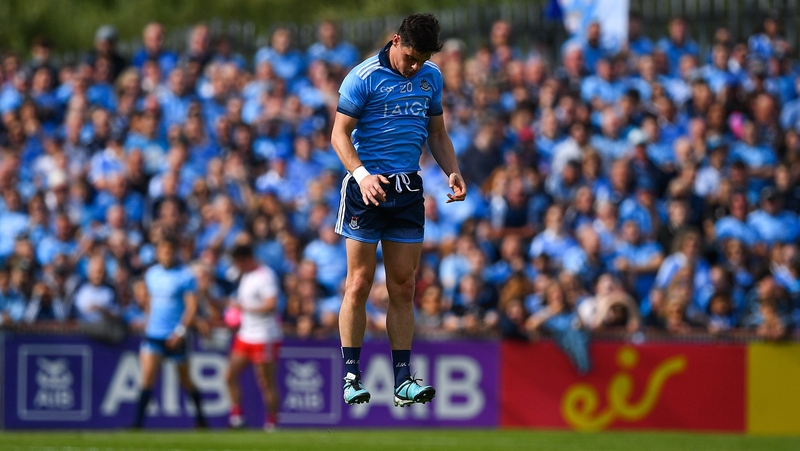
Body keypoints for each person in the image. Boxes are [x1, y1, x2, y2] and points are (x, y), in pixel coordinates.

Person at [330, 13, 466, 407]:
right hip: (367, 190)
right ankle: (351, 377)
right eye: (410, 57)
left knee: (404, 287)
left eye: (422, 59)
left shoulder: (430, 77)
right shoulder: (363, 77)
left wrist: (453, 170)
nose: (415, 66)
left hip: (408, 189)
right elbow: (338, 134)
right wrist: (361, 175)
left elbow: (437, 133)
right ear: (395, 41)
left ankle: (403, 381)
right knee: (359, 283)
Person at [132, 236, 206, 429]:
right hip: (154, 334)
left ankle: (201, 420)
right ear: (158, 253)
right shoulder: (152, 274)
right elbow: (150, 301)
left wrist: (180, 332)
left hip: (175, 336)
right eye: (164, 251)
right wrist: (147, 321)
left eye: (170, 251)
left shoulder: (185, 275)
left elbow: (191, 307)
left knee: (186, 380)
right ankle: (137, 424)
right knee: (147, 377)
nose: (167, 254)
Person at [225, 243, 282, 431]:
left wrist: (244, 308)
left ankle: (271, 422)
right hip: (245, 334)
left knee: (265, 382)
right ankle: (237, 418)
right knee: (229, 375)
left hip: (264, 335)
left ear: (246, 259)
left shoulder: (266, 276)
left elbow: (271, 305)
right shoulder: (244, 274)